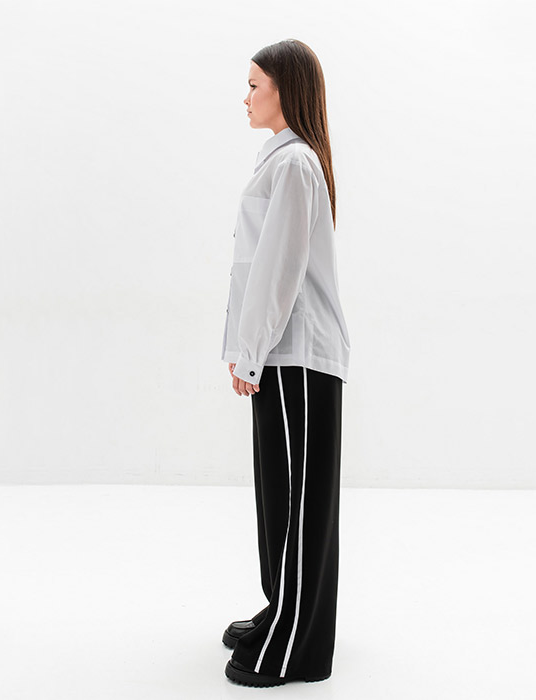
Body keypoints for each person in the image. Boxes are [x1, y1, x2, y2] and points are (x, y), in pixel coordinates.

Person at [220, 38, 351, 687]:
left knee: (301, 504)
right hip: (282, 355)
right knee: (280, 496)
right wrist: (246, 352)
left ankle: (298, 646)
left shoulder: (295, 164)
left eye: (254, 85)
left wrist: (250, 352)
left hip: (298, 356)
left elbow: (278, 271)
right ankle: (283, 612)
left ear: (284, 90)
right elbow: (260, 267)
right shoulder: (281, 161)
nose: (244, 97)